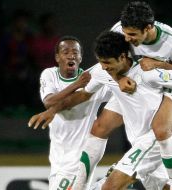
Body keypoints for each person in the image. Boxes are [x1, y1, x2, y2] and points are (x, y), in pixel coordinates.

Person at [29, 31, 172, 190]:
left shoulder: (148, 72)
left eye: (107, 63)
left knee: (110, 186)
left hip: (152, 139)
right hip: (137, 140)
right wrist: (52, 111)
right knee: (99, 129)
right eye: (101, 62)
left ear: (122, 57)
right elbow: (82, 96)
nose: (103, 68)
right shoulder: (102, 71)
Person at [110, 1, 172, 188]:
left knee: (161, 129)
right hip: (137, 85)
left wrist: (159, 64)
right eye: (125, 33)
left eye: (132, 35)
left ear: (148, 28)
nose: (127, 38)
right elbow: (106, 61)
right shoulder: (118, 31)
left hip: (167, 86)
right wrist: (118, 79)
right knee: (101, 126)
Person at [30, 35, 112, 190]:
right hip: (58, 161)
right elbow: (50, 102)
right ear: (57, 57)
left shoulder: (93, 81)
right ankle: (107, 184)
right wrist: (77, 84)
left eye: (75, 52)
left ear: (80, 57)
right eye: (65, 52)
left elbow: (117, 91)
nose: (71, 55)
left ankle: (111, 183)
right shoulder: (50, 75)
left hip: (79, 160)